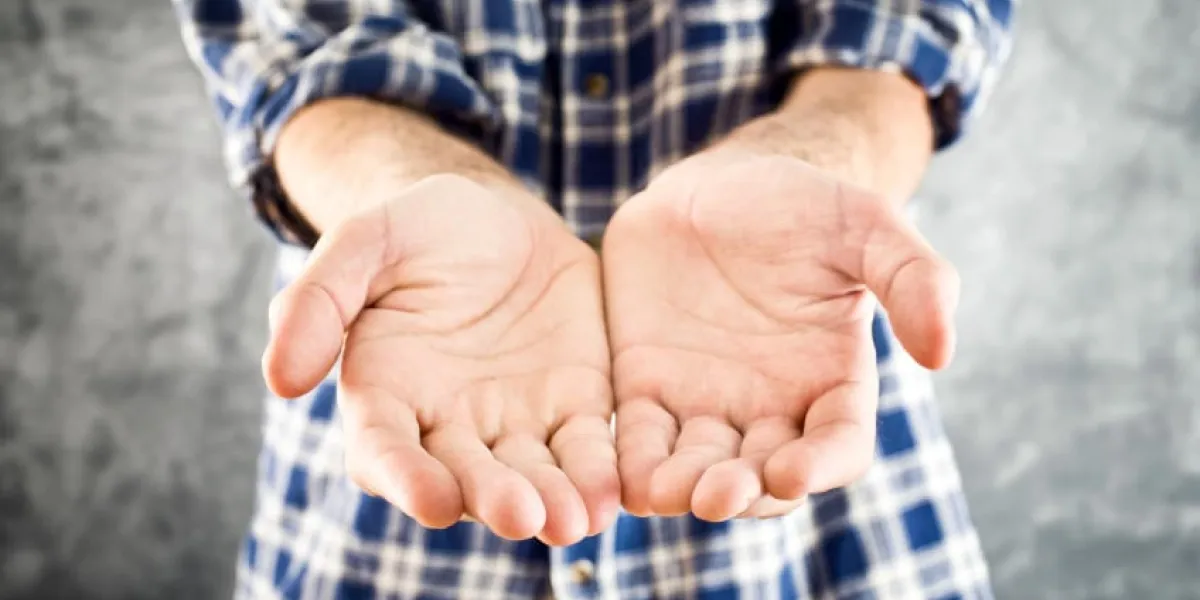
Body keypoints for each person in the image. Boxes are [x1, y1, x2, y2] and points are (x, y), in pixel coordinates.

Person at [173, 0, 1013, 597]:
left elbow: (899, 41)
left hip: (801, 445)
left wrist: (811, 163)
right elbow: (300, 65)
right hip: (413, 416)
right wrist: (408, 189)